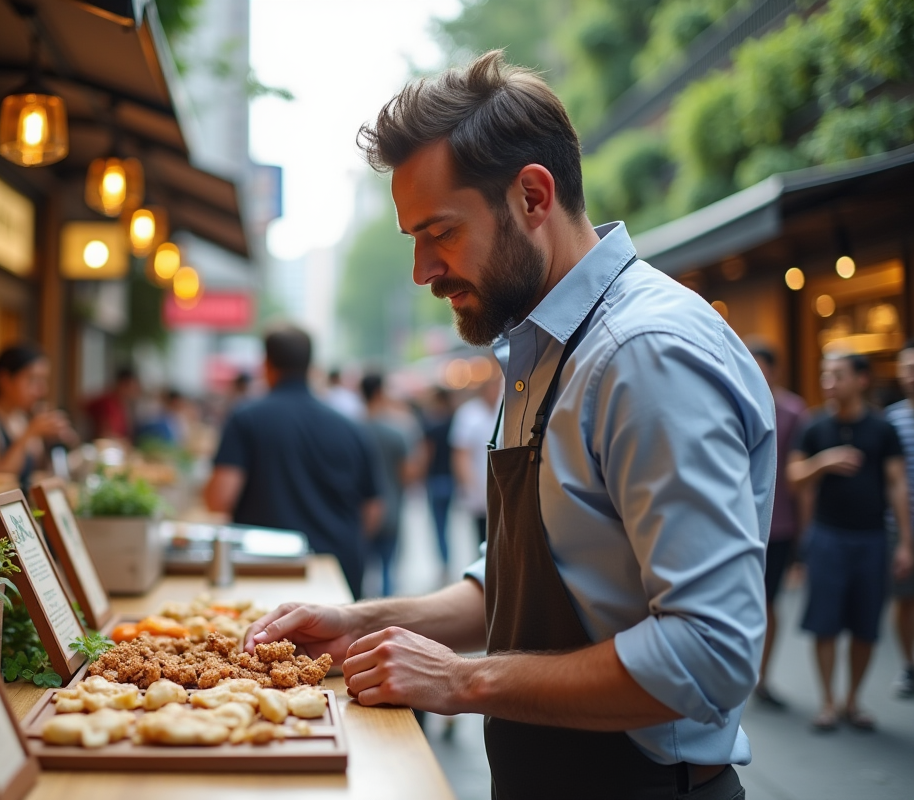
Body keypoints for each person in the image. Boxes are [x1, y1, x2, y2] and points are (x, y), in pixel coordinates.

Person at [245, 52, 773, 800]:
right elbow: (519, 585)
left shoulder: (644, 355)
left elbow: (709, 653)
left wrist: (463, 681)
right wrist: (359, 622)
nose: (424, 270)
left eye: (440, 232)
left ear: (532, 196)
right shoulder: (542, 345)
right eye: (413, 240)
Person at [204, 326, 383, 599]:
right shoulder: (351, 427)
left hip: (265, 573)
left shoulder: (246, 419)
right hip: (337, 573)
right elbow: (373, 511)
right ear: (311, 365)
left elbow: (220, 498)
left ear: (266, 364)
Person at [788, 353, 913, 732]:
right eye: (826, 374)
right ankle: (827, 702)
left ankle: (852, 701)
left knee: (865, 623)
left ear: (861, 380)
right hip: (828, 536)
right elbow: (794, 477)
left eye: (838, 375)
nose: (829, 381)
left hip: (873, 537)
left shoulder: (881, 428)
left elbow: (895, 484)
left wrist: (906, 542)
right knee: (825, 622)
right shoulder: (815, 425)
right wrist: (824, 463)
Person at [747, 341, 808, 709]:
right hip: (741, 520)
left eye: (760, 365)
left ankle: (763, 677)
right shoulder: (733, 397)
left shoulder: (794, 411)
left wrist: (804, 538)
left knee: (769, 602)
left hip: (781, 523)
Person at [0, 345, 76, 492]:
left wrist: (53, 442)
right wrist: (29, 434)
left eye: (43, 380)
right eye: (32, 379)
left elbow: (36, 474)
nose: (42, 390)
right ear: (4, 380)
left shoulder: (22, 418)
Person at [360, 372, 412, 597]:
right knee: (388, 570)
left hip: (360, 514)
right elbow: (407, 474)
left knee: (362, 572)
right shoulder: (396, 432)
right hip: (391, 510)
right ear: (380, 392)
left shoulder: (353, 430)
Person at [883, 341, 914, 697]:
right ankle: (909, 666)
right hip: (898, 525)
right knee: (904, 599)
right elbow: (892, 480)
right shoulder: (892, 418)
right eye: (905, 369)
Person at [450, 370, 502, 548]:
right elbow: (461, 454)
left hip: (502, 489)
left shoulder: (504, 410)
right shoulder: (468, 414)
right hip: (479, 490)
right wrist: (471, 486)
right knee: (483, 539)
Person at [422, 387, 456, 574]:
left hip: (435, 479)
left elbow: (427, 454)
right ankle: (447, 559)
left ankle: (444, 561)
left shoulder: (432, 426)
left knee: (439, 525)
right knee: (449, 523)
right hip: (450, 479)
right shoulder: (454, 422)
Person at [85, 367, 140, 441]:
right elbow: (106, 434)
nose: (135, 391)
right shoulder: (107, 403)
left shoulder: (121, 404)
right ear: (123, 385)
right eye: (132, 387)